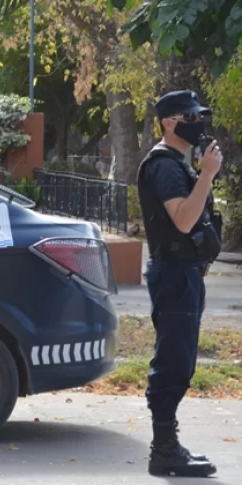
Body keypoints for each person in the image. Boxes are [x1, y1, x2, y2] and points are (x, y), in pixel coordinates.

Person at [137, 90, 224, 478]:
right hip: (174, 274)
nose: (198, 123)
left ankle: (168, 445)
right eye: (190, 116)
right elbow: (184, 221)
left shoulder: (175, 164)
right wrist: (206, 174)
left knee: (181, 359)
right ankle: (164, 449)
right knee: (174, 360)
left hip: (182, 274)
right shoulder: (165, 167)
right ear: (169, 122)